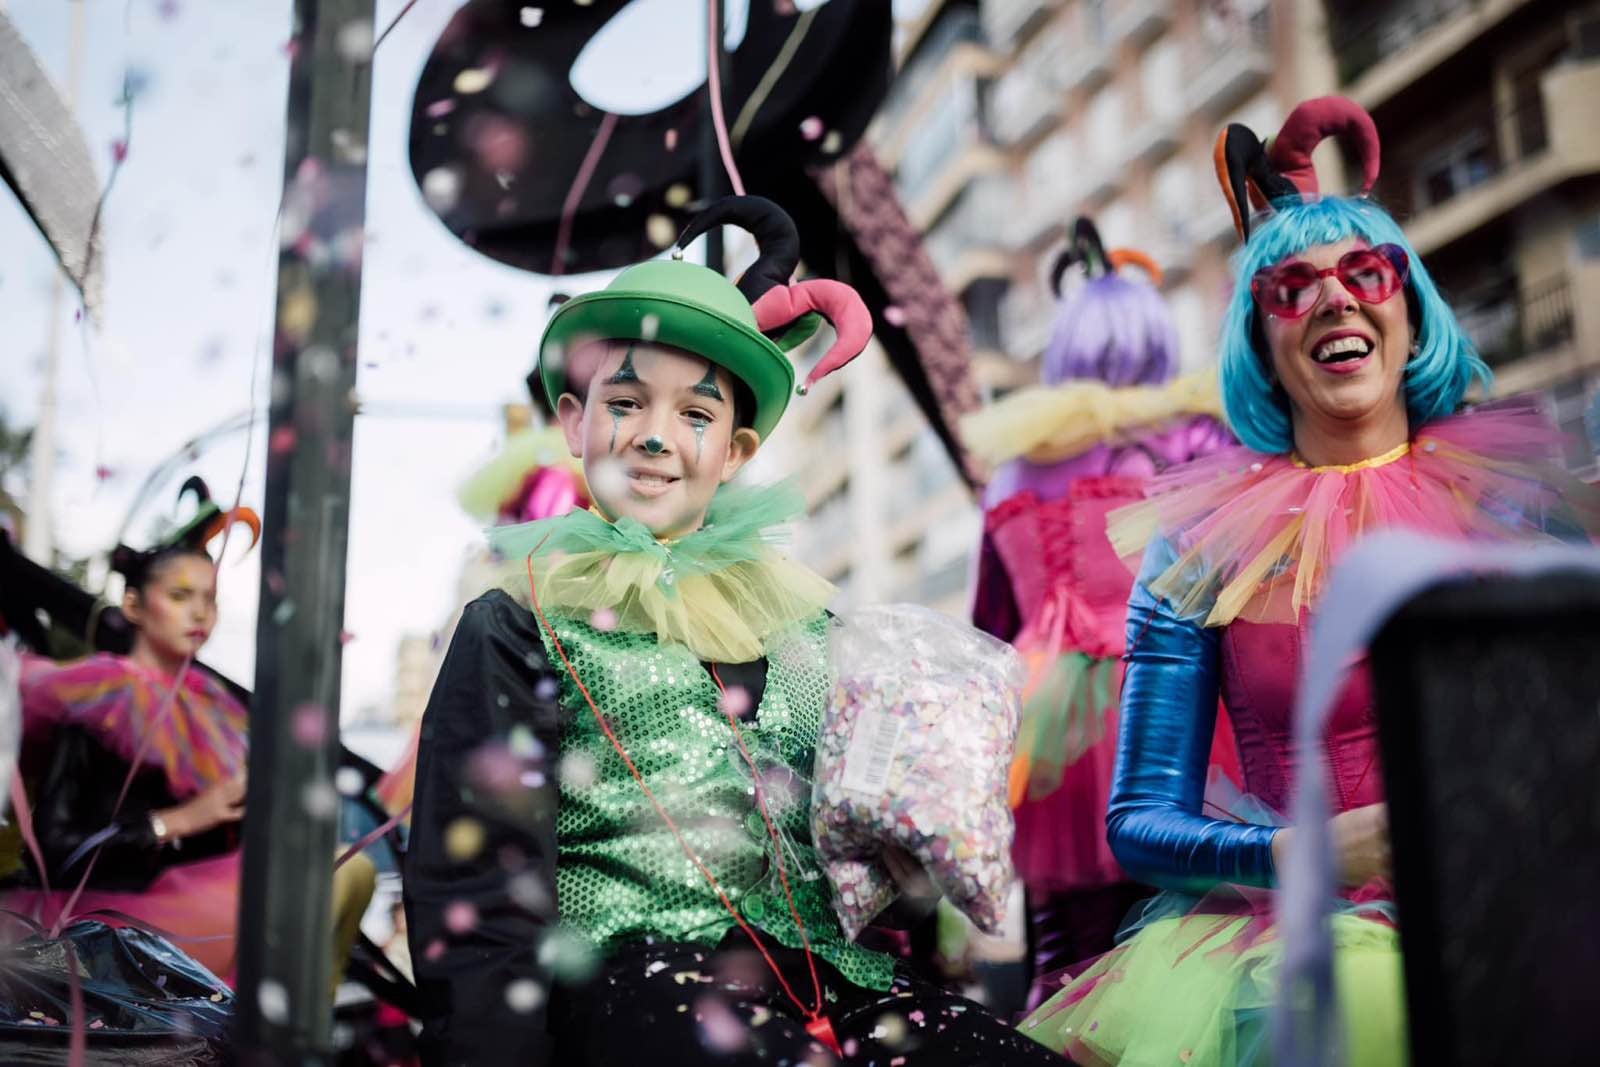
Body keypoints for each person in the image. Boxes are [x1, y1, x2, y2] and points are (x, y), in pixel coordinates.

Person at [403, 195, 1064, 1067]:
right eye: (626, 401)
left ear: (737, 450)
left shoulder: (813, 630)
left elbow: (867, 862)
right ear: (574, 420)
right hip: (633, 981)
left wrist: (909, 866)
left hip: (835, 979)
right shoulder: (519, 623)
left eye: (696, 414)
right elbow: (476, 891)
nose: (653, 437)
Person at [1018, 97, 1600, 1066]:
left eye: (1364, 272)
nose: (1332, 300)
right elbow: (1137, 824)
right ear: (1262, 341)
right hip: (1310, 940)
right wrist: (1307, 852)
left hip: (1518, 894)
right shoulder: (1199, 545)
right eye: (1290, 287)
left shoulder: (1518, 498)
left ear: (1410, 311)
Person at [964, 220, 1237, 1005]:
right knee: (1189, 936)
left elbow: (990, 616)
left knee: (1064, 955)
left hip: (1039, 724)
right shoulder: (1195, 438)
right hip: (1166, 699)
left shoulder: (1014, 461)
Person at [9, 479, 375, 985]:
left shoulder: (214, 708)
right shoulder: (97, 699)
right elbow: (57, 848)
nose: (200, 612)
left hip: (207, 897)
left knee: (348, 870)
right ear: (134, 606)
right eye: (181, 595)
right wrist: (177, 821)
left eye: (210, 597)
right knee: (336, 874)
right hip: (118, 917)